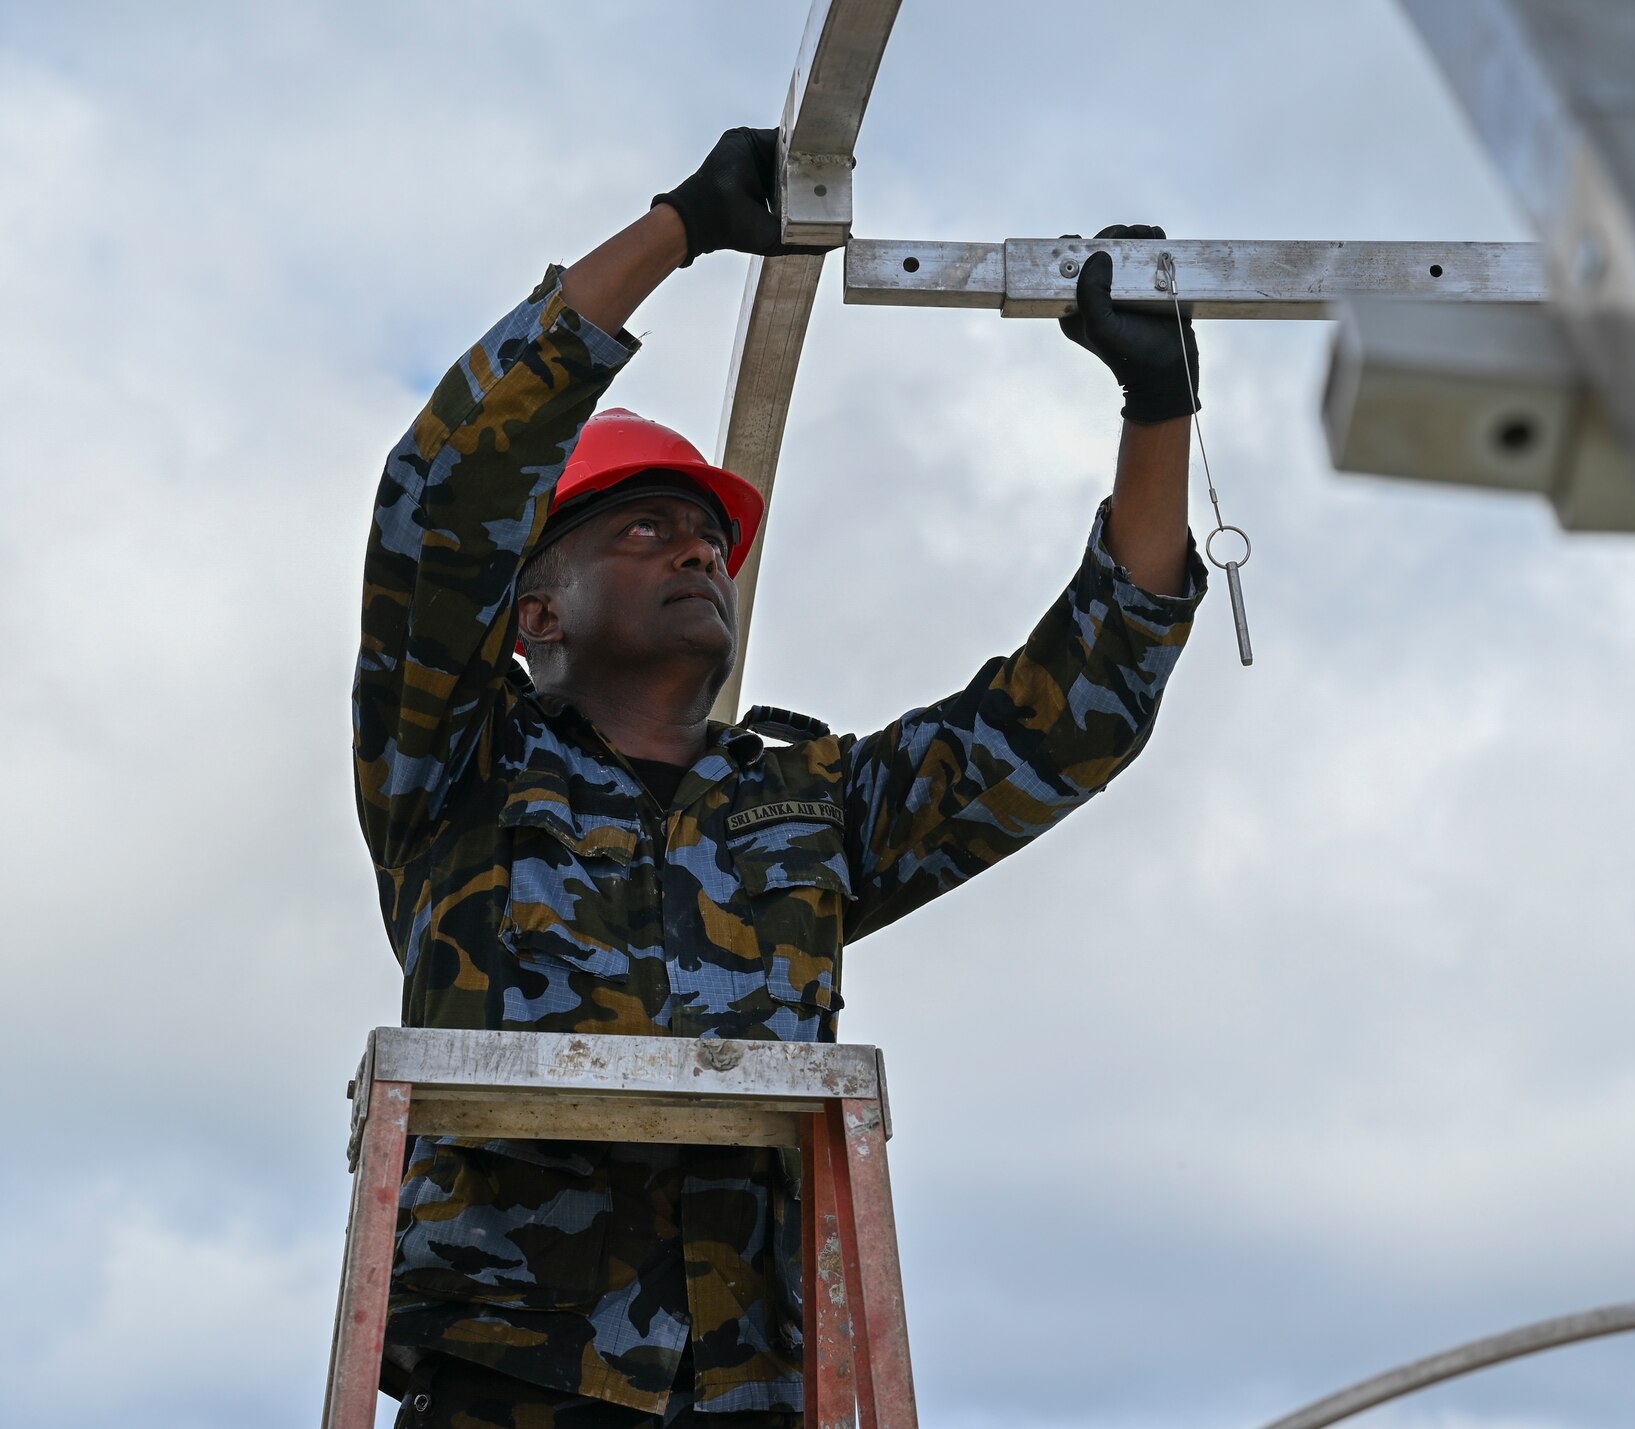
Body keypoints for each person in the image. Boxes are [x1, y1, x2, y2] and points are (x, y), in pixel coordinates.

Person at [352, 126, 1207, 1427]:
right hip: (508, 1379)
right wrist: (678, 225)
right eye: (645, 528)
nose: (697, 551)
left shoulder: (804, 805)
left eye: (709, 536)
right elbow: (441, 497)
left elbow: (1067, 717)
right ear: (534, 613)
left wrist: (1160, 411)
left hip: (758, 1385)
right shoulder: (454, 760)